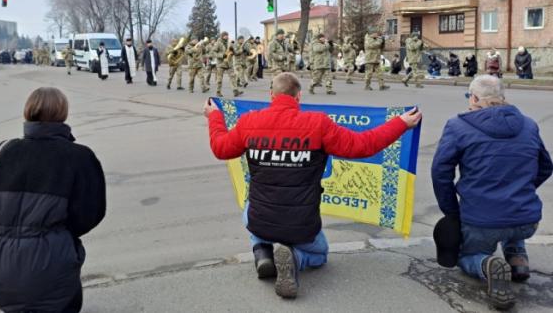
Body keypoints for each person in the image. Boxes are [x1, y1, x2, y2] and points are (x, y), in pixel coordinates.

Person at [205, 72, 421, 299]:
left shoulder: (249, 122)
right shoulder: (318, 124)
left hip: (259, 219)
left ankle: (263, 252)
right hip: (302, 224)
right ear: (299, 96)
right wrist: (401, 123)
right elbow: (363, 145)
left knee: (251, 205)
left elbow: (221, 148)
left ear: (271, 95)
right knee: (320, 255)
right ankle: (296, 259)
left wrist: (214, 117)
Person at [0, 87, 106, 313]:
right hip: (52, 264)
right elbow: (89, 216)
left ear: (28, 112)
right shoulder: (79, 156)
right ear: (63, 113)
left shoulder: (3, 150)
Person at [431, 75, 552, 310]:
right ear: (503, 98)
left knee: (467, 256)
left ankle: (486, 265)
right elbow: (546, 166)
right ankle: (517, 259)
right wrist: (522, 191)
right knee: (510, 212)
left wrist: (452, 212)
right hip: (527, 220)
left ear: (474, 98)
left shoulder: (459, 125)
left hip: (481, 222)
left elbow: (440, 172)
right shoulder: (528, 124)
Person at [212, 31, 242, 98]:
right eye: (225, 35)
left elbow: (235, 53)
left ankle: (235, 91)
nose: (227, 36)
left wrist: (233, 50)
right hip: (221, 64)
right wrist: (222, 55)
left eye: (227, 35)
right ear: (222, 36)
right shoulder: (218, 43)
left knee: (233, 77)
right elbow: (213, 52)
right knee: (219, 79)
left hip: (229, 64)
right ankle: (218, 92)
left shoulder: (229, 43)